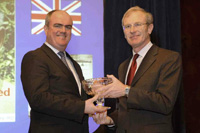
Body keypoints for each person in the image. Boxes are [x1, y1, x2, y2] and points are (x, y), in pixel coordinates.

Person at [93, 6, 182, 133]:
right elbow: (125, 110)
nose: (132, 30)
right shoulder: (123, 66)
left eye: (137, 24)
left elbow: (165, 102)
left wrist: (126, 90)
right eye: (127, 26)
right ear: (124, 33)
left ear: (150, 28)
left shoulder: (169, 58)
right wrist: (110, 120)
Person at [21, 10, 109, 133]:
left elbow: (76, 98)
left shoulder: (74, 64)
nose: (63, 31)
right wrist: (82, 107)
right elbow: (38, 98)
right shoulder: (35, 57)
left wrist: (96, 94)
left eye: (68, 27)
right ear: (46, 29)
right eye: (58, 25)